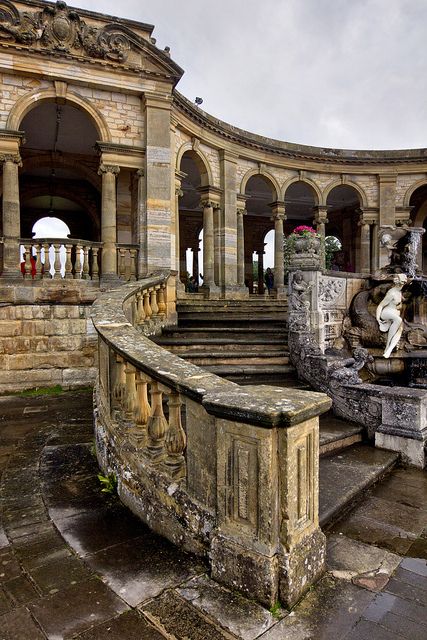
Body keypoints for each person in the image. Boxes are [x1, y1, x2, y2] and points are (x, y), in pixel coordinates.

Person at [376, 273, 408, 359]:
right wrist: (378, 318)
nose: (404, 284)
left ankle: (389, 349)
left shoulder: (399, 292)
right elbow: (381, 305)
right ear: (400, 283)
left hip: (394, 314)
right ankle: (388, 346)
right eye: (403, 282)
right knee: (399, 320)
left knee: (400, 329)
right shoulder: (392, 293)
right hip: (386, 313)